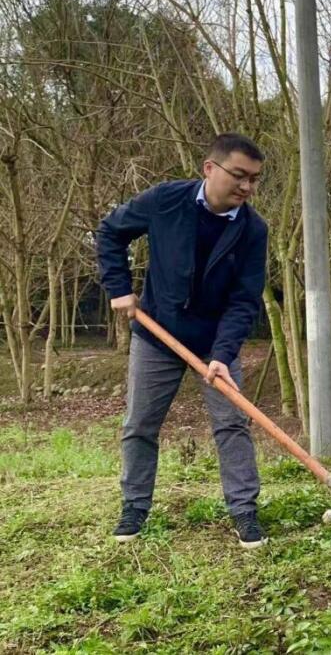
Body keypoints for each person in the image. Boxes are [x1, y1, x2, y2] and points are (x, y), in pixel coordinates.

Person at [96, 132, 269, 549]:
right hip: (158, 335)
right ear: (210, 169)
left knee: (232, 424)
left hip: (214, 343)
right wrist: (119, 287)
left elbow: (244, 301)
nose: (247, 187)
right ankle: (134, 508)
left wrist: (224, 355)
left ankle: (244, 512)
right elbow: (110, 232)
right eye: (239, 176)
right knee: (140, 423)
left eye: (254, 179)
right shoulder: (165, 201)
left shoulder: (252, 230)